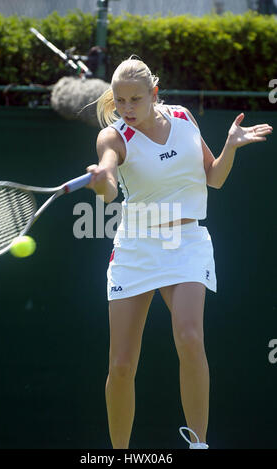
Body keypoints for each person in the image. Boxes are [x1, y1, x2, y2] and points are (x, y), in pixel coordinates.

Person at [85, 56, 273, 449]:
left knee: (189, 337)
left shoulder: (184, 118)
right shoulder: (113, 137)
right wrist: (102, 179)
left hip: (185, 242)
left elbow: (214, 178)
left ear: (154, 94)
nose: (126, 109)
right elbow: (109, 190)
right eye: (119, 101)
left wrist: (230, 146)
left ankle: (199, 444)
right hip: (136, 246)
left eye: (135, 99)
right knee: (120, 366)